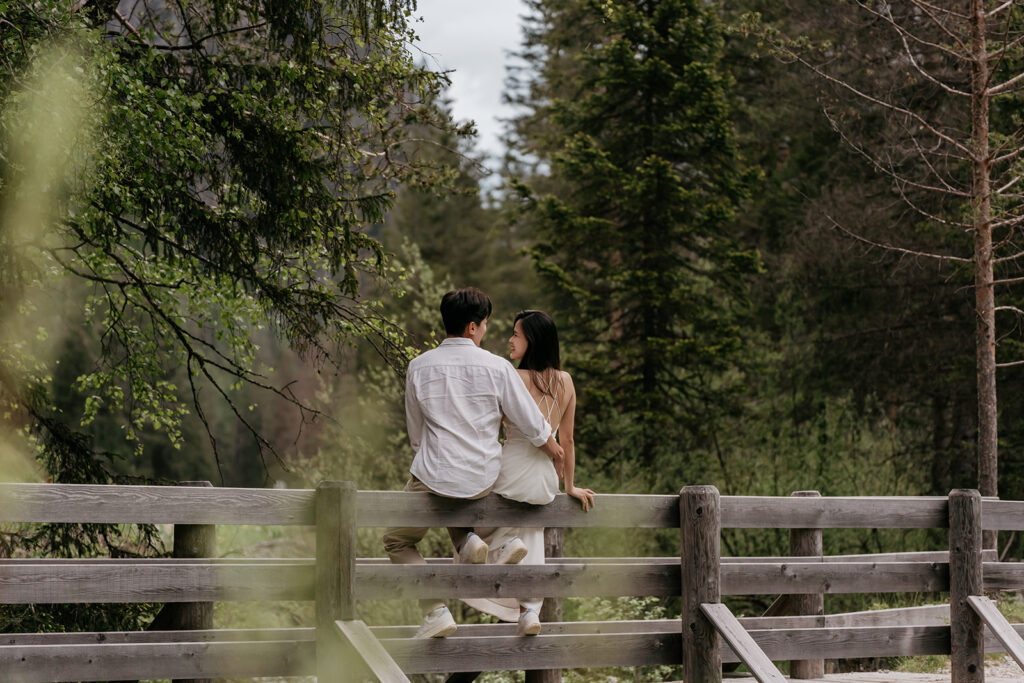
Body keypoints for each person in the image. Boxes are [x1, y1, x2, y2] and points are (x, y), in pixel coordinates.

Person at [382, 288, 566, 639]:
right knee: (461, 495)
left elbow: (416, 435)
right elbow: (530, 422)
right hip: (483, 476)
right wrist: (554, 450)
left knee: (397, 540)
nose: (486, 330)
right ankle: (492, 540)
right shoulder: (497, 367)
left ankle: (435, 609)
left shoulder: (418, 367)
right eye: (484, 325)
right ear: (471, 327)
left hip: (435, 474)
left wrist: (429, 459)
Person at [464, 309, 596, 636]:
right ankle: (530, 612)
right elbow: (567, 439)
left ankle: (503, 541)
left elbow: (490, 428)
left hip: (510, 470)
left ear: (532, 340)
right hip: (543, 481)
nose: (510, 340)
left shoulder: (512, 375)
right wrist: (569, 486)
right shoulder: (565, 381)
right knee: (532, 535)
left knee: (469, 527)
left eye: (516, 334)